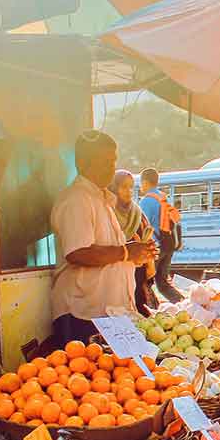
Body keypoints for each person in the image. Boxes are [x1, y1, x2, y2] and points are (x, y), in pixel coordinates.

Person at [50, 132, 156, 347]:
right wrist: (126, 252)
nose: (111, 167)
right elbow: (77, 252)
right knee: (88, 377)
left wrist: (136, 254)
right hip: (83, 313)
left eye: (113, 160)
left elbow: (109, 252)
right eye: (104, 161)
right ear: (82, 163)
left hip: (109, 312)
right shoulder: (77, 199)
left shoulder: (101, 199)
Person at [110, 170, 157, 316]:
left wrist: (150, 262)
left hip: (138, 275)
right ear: (113, 188)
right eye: (123, 187)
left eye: (131, 187)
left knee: (139, 314)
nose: (129, 192)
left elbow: (147, 239)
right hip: (114, 276)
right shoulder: (107, 214)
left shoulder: (137, 213)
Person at [139, 168, 183, 303]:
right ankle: (183, 303)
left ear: (145, 182)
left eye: (141, 183)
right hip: (168, 244)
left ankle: (149, 310)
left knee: (144, 282)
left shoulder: (147, 201)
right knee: (163, 283)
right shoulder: (163, 198)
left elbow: (142, 227)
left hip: (155, 247)